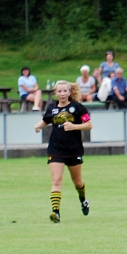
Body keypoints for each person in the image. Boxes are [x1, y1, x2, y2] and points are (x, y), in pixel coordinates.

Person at [34, 80, 92, 223]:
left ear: (69, 92)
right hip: (55, 149)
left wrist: (74, 126)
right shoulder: (52, 108)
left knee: (77, 182)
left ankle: (83, 200)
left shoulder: (77, 107)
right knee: (56, 180)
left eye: (64, 91)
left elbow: (89, 125)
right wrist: (39, 126)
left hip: (73, 149)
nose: (62, 94)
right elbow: (46, 120)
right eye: (59, 91)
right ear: (55, 93)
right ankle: (56, 212)